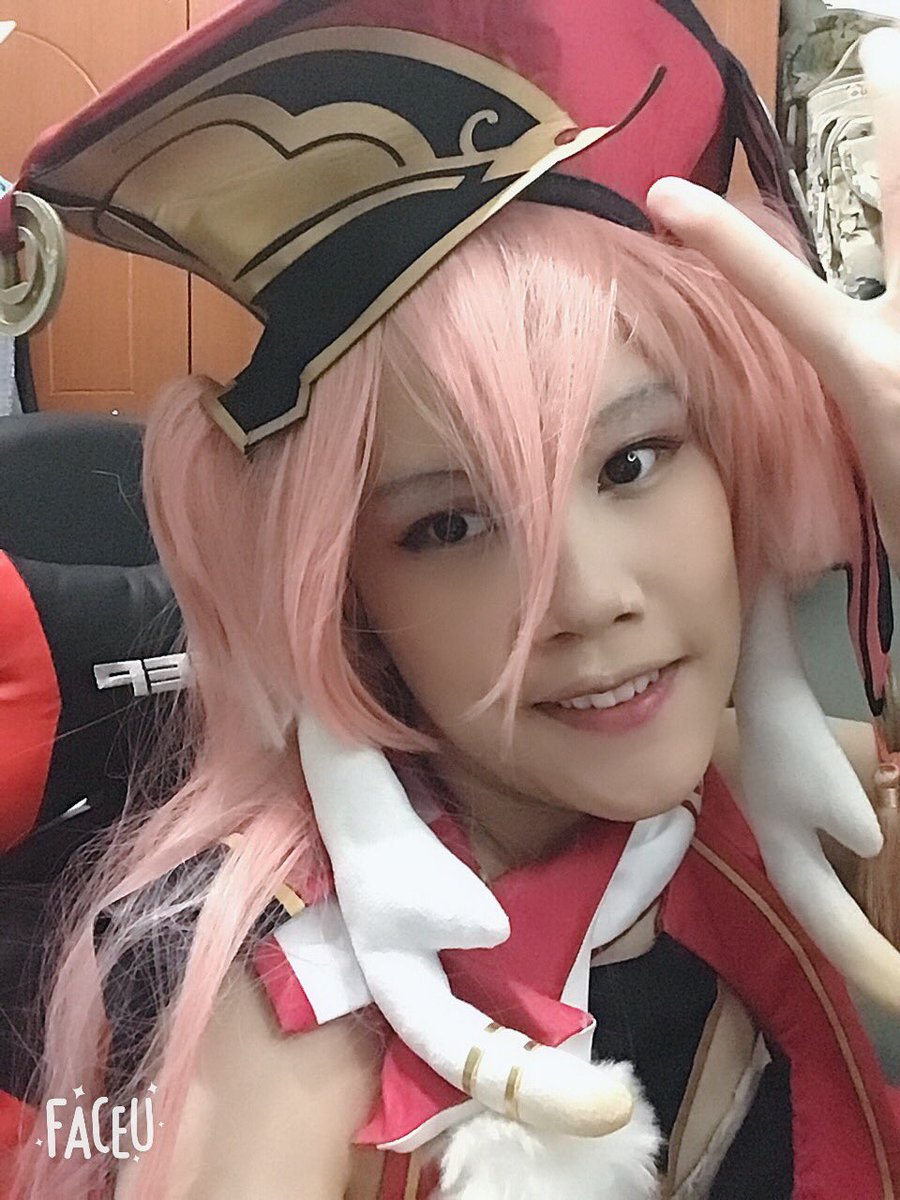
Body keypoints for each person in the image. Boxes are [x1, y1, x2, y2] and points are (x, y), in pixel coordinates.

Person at [3, 2, 900, 1197]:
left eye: (631, 462)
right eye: (451, 527)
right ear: (344, 589)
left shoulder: (744, 794)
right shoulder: (292, 1033)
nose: (587, 599)